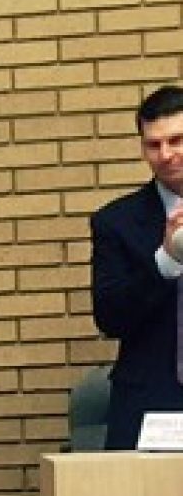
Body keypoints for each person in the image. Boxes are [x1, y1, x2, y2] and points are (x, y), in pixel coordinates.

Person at [92, 84, 183, 449]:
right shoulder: (116, 222)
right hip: (149, 406)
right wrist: (166, 260)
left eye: (177, 140)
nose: (167, 154)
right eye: (154, 145)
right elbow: (109, 317)